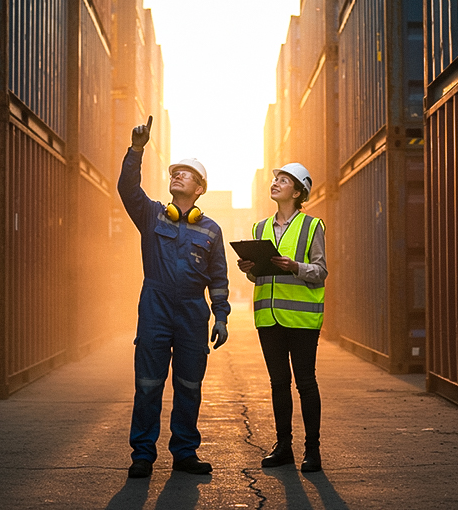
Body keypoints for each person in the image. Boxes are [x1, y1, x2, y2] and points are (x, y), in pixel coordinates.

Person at [118, 116, 231, 479]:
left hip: (193, 313)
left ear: (200, 188)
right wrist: (137, 150)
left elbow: (218, 278)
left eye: (185, 174)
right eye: (174, 173)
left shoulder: (211, 230)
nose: (176, 176)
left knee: (189, 385)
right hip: (156, 306)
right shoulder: (151, 214)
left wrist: (222, 316)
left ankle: (184, 452)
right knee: (148, 384)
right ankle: (142, 455)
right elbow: (127, 187)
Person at [237, 163, 327, 472]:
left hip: (301, 319)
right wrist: (250, 270)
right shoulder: (259, 229)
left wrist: (295, 267)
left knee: (305, 382)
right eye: (275, 179)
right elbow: (259, 278)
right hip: (268, 318)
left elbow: (321, 271)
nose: (275, 183)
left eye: (283, 180)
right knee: (278, 383)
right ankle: (283, 446)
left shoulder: (313, 226)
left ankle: (312, 450)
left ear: (298, 191)